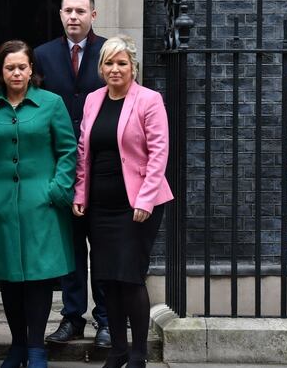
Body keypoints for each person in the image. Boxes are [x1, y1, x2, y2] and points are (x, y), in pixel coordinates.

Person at [0, 40, 77, 368]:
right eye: (9, 68)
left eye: (22, 67)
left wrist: (57, 190)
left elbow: (68, 150)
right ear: (0, 73)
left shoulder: (52, 103)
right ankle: (17, 345)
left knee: (38, 279)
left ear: (32, 70)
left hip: (41, 207)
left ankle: (35, 348)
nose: (16, 73)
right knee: (10, 279)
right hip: (1, 206)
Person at [72, 35, 173, 368]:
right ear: (101, 68)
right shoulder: (93, 100)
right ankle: (117, 350)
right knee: (107, 278)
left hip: (137, 206)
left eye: (121, 63)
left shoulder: (149, 100)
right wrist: (81, 194)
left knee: (129, 277)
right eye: (108, 63)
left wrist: (144, 200)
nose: (115, 69)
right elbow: (85, 152)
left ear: (133, 67)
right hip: (100, 205)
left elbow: (159, 154)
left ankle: (139, 354)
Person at [34, 0, 110, 347]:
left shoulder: (108, 52)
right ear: (61, 14)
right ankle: (72, 317)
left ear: (93, 15)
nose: (74, 17)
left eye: (81, 10)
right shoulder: (43, 55)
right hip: (61, 164)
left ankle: (107, 319)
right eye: (68, 10)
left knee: (105, 246)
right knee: (71, 246)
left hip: (104, 166)